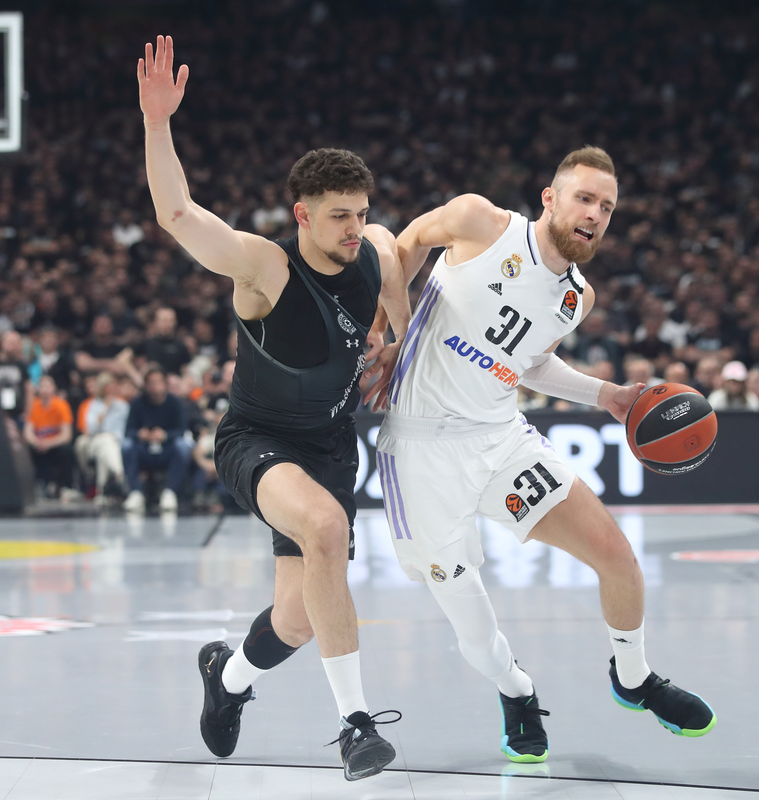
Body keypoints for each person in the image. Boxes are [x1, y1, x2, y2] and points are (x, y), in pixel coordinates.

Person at [365, 147, 715, 764]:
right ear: (550, 199)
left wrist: (603, 393)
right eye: (585, 198)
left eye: (607, 207)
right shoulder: (480, 222)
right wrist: (401, 335)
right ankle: (516, 689)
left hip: (501, 438)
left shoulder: (578, 297)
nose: (596, 214)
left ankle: (633, 678)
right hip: (421, 451)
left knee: (618, 557)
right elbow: (401, 247)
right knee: (474, 630)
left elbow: (527, 360)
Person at [139, 36, 410, 781]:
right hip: (255, 439)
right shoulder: (263, 267)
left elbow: (396, 290)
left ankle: (226, 679)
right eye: (337, 217)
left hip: (329, 446)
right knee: (324, 529)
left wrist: (391, 344)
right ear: (301, 214)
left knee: (296, 617)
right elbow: (177, 213)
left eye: (360, 213)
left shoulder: (374, 250)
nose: (354, 228)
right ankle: (355, 725)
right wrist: (158, 122)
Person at [121, 368, 190, 512]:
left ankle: (170, 492)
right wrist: (140, 434)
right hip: (143, 448)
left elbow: (181, 430)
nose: (155, 387)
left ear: (165, 384)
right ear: (145, 385)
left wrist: (165, 435)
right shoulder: (137, 403)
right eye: (151, 383)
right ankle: (136, 492)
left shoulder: (175, 403)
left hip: (166, 448)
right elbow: (128, 431)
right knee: (126, 445)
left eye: (158, 382)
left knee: (183, 446)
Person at [77, 372, 129, 499]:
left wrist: (112, 436)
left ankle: (101, 491)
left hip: (116, 442)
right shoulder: (94, 405)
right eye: (108, 386)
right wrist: (105, 409)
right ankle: (120, 475)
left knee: (105, 449)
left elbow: (125, 430)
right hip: (96, 440)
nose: (111, 388)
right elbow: (91, 430)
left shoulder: (123, 406)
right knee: (105, 441)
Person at [23, 375, 75, 496]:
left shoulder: (61, 405)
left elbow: (66, 435)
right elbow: (27, 432)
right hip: (39, 445)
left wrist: (48, 443)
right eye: (42, 386)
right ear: (38, 389)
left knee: (66, 449)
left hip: (55, 445)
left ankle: (66, 487)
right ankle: (36, 485)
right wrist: (36, 442)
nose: (45, 389)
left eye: (48, 385)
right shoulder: (34, 405)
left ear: (54, 388)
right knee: (26, 449)